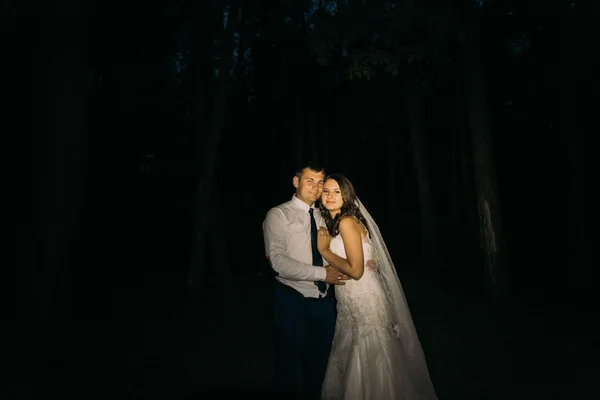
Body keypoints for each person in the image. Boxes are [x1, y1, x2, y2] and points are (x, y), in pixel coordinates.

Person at [317, 173, 438, 400]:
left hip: (363, 296)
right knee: (356, 346)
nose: (330, 196)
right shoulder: (338, 222)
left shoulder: (345, 222)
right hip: (349, 297)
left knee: (370, 350)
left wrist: (325, 250)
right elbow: (364, 258)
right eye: (326, 191)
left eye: (337, 192)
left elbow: (356, 270)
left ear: (347, 196)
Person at [262, 162, 349, 399]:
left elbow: (342, 246)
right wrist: (323, 274)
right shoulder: (278, 214)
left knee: (320, 368)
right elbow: (278, 262)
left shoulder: (326, 214)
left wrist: (361, 260)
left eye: (320, 182)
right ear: (296, 181)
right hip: (292, 302)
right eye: (310, 180)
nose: (316, 187)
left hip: (325, 303)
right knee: (287, 368)